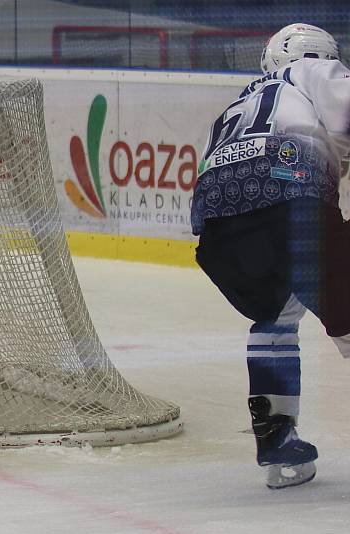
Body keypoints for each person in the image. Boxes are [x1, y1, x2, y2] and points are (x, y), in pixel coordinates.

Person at [191, 23, 350, 489]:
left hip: (219, 227)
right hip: (290, 202)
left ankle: (277, 437)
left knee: (276, 317)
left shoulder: (237, 104)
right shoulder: (314, 70)